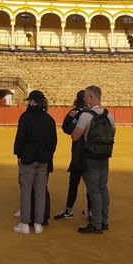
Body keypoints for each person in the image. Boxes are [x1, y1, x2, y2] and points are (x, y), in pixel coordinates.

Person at [71, 85, 115, 234]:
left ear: (91, 97)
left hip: (90, 156)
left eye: (85, 96)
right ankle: (104, 220)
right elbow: (113, 132)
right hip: (104, 156)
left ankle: (96, 223)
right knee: (103, 187)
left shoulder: (85, 115)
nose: (83, 99)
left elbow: (75, 136)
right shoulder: (109, 114)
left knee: (94, 189)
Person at [13, 90, 57, 234]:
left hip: (28, 159)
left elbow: (20, 138)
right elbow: (53, 142)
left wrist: (18, 154)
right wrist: (48, 155)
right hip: (43, 159)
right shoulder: (49, 119)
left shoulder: (26, 117)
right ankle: (38, 224)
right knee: (40, 191)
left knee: (26, 190)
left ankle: (25, 223)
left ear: (32, 101)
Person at [54, 90, 91, 220]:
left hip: (83, 152)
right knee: (77, 183)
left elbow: (66, 128)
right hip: (80, 152)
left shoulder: (84, 112)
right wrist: (75, 119)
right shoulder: (78, 113)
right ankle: (74, 209)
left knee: (83, 183)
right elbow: (66, 128)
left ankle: (85, 210)